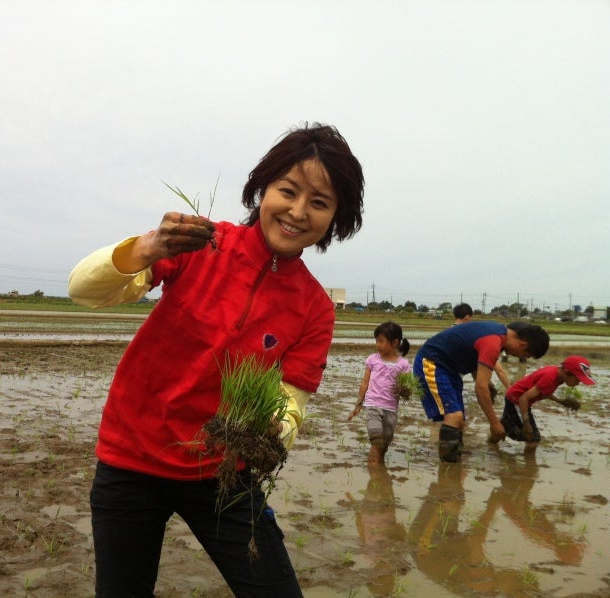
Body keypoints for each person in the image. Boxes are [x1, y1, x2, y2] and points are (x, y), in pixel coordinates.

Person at [68, 123, 365, 596]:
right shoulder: (200, 244)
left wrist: (274, 431)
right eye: (287, 191)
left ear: (335, 218)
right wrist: (147, 248)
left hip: (222, 474)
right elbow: (84, 291)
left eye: (319, 202)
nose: (297, 211)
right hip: (131, 460)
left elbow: (292, 399)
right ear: (261, 189)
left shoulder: (314, 307)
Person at [413, 320, 550, 463]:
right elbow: (480, 387)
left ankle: (453, 465)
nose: (518, 357)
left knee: (459, 422)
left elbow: (469, 355)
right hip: (432, 363)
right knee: (454, 416)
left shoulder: (497, 333)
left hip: (450, 370)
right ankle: (448, 473)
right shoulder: (493, 342)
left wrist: (485, 383)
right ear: (523, 345)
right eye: (525, 355)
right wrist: (494, 423)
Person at [494, 355, 595, 453]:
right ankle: (530, 466)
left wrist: (560, 401)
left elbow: (544, 391)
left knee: (523, 431)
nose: (578, 383)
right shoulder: (550, 377)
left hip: (517, 398)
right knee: (533, 438)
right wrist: (526, 422)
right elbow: (523, 398)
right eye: (577, 380)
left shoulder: (558, 376)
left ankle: (499, 431)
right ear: (567, 371)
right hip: (516, 399)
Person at [347, 322, 411, 467]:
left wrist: (404, 390)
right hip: (372, 405)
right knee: (376, 438)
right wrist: (358, 404)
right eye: (376, 341)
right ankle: (374, 472)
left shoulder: (403, 364)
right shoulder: (373, 359)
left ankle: (378, 468)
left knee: (384, 443)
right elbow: (365, 383)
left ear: (395, 342)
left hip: (391, 408)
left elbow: (408, 388)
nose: (378, 345)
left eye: (381, 341)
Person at [452, 303, 511, 397]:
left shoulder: (449, 332)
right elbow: (499, 370)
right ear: (467, 317)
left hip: (449, 373)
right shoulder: (469, 333)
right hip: (455, 373)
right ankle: (510, 392)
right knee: (498, 370)